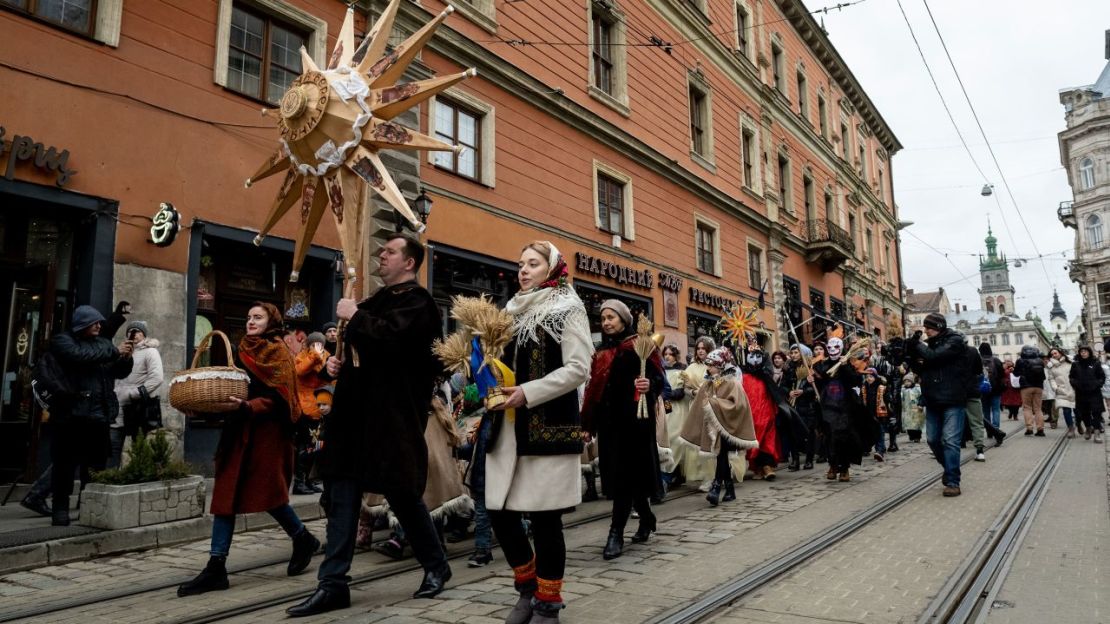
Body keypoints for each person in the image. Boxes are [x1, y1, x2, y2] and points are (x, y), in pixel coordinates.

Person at [287, 234, 449, 617]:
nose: (381, 256)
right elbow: (363, 347)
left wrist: (355, 316)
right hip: (352, 415)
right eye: (382, 251)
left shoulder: (419, 303)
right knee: (341, 494)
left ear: (409, 262)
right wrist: (335, 364)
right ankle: (333, 583)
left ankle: (436, 565)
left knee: (403, 496)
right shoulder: (373, 300)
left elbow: (394, 340)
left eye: (390, 252)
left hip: (390, 417)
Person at [177, 302, 320, 596]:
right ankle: (216, 566)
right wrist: (205, 408)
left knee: (271, 496)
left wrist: (247, 406)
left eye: (258, 317)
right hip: (238, 432)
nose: (251, 322)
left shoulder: (278, 352)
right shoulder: (241, 348)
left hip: (268, 434)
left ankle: (302, 537)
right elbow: (230, 390)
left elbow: (282, 400)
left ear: (271, 321)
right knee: (224, 497)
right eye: (248, 317)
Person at [484, 241, 593, 624]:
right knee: (498, 511)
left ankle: (548, 601)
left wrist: (527, 393)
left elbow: (578, 368)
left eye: (533, 263)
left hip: (547, 427)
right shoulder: (509, 312)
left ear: (553, 267)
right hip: (505, 429)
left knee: (546, 520)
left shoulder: (567, 308)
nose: (524, 270)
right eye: (520, 264)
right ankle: (527, 587)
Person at [581, 299, 663, 561]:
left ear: (624, 320)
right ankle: (647, 517)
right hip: (610, 424)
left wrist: (649, 385)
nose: (606, 322)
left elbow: (660, 379)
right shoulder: (601, 353)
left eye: (611, 317)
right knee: (620, 477)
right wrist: (588, 424)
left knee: (628, 476)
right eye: (603, 318)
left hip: (636, 422)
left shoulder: (641, 346)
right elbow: (594, 392)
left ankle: (615, 532)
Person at [47, 305, 134, 525]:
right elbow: (81, 356)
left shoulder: (103, 343)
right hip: (69, 416)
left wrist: (125, 358)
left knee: (95, 467)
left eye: (99, 322)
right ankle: (60, 509)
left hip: (98, 416)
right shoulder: (63, 341)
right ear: (82, 323)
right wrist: (115, 351)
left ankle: (89, 508)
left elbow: (118, 371)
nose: (98, 325)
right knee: (64, 466)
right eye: (94, 322)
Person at [680, 347, 758, 505]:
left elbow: (738, 405)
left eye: (711, 364)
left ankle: (716, 487)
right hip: (714, 426)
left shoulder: (732, 383)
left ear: (720, 365)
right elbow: (700, 402)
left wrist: (714, 404)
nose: (708, 367)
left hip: (728, 426)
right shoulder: (708, 383)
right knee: (720, 455)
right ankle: (729, 490)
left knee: (721, 454)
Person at [905, 312, 968, 497]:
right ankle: (948, 468)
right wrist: (910, 355)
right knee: (932, 439)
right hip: (932, 399)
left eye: (929, 328)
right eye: (925, 328)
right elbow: (921, 368)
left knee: (950, 440)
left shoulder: (954, 341)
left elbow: (935, 357)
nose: (926, 331)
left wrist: (917, 345)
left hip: (953, 398)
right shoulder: (929, 346)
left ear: (939, 327)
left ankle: (953, 481)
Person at [811, 337, 870, 482]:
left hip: (845, 406)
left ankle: (844, 468)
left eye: (836, 348)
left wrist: (844, 366)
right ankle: (832, 465)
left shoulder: (848, 363)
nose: (832, 351)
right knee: (829, 435)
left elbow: (856, 380)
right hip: (828, 406)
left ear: (841, 348)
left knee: (844, 436)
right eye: (829, 348)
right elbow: (821, 382)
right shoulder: (822, 365)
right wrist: (812, 380)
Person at [110, 320, 164, 468]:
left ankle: (137, 476)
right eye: (130, 331)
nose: (133, 334)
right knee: (113, 444)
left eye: (138, 331)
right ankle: (110, 476)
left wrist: (135, 393)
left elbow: (157, 377)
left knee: (138, 444)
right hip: (117, 404)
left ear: (144, 334)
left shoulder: (150, 352)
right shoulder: (122, 352)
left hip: (137, 406)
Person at [675, 336, 717, 489]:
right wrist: (694, 393)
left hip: (711, 407)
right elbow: (685, 388)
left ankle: (711, 477)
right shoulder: (691, 368)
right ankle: (701, 474)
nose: (700, 351)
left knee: (709, 441)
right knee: (696, 441)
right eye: (698, 348)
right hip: (695, 406)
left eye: (703, 349)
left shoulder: (715, 365)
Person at [292, 332, 329, 494]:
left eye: (320, 344)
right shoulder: (301, 356)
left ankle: (308, 480)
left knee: (316, 446)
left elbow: (327, 375)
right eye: (314, 344)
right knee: (306, 445)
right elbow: (299, 371)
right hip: (305, 408)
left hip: (321, 406)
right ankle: (299, 483)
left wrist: (320, 358)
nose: (317, 347)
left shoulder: (326, 355)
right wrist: (314, 356)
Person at [786, 344, 821, 470]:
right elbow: (784, 384)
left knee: (809, 433)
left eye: (796, 352)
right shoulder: (789, 367)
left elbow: (817, 388)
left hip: (807, 405)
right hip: (793, 405)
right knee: (793, 434)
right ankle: (795, 460)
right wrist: (788, 392)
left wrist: (804, 391)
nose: (794, 355)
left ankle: (809, 460)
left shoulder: (810, 368)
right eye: (792, 353)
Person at [1069, 345, 1105, 443]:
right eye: (1082, 351)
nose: (1083, 353)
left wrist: (1097, 384)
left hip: (1094, 393)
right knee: (1085, 413)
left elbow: (1102, 376)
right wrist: (1076, 384)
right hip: (1081, 393)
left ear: (1089, 352)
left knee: (1096, 413)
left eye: (1085, 351)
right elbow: (1071, 377)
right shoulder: (1076, 364)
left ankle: (1097, 433)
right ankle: (1088, 428)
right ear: (1079, 353)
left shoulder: (1096, 363)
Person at [1013, 345, 1047, 436]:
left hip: (1026, 387)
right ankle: (1040, 429)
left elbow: (1016, 374)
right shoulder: (1040, 361)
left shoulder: (1020, 360)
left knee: (1027, 407)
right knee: (1038, 408)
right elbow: (1043, 376)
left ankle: (1029, 428)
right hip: (1038, 386)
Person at [860, 368, 889, 461]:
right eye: (867, 376)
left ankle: (879, 451)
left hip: (880, 414)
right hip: (868, 414)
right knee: (872, 432)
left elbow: (887, 400)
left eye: (871, 376)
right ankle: (879, 448)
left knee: (880, 432)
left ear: (875, 377)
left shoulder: (881, 387)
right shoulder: (864, 387)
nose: (869, 378)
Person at [1046, 348, 1074, 434]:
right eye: (1052, 354)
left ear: (1060, 353)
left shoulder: (1070, 362)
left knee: (1078, 410)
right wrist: (1055, 388)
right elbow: (1051, 379)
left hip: (1074, 389)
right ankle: (1071, 428)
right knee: (1066, 410)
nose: (1054, 355)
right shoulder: (1051, 366)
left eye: (1055, 353)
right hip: (1061, 390)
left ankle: (1079, 424)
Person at [979, 343, 1004, 428]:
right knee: (996, 409)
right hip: (996, 388)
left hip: (983, 389)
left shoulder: (978, 360)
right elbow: (1002, 374)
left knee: (986, 410)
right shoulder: (996, 360)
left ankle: (989, 429)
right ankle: (996, 428)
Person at [901, 375, 924, 442]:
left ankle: (917, 437)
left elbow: (921, 396)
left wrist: (921, 404)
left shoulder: (917, 389)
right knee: (908, 423)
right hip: (907, 409)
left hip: (916, 409)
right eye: (905, 382)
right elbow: (902, 399)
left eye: (908, 381)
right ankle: (911, 435)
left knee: (917, 423)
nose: (907, 383)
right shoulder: (903, 390)